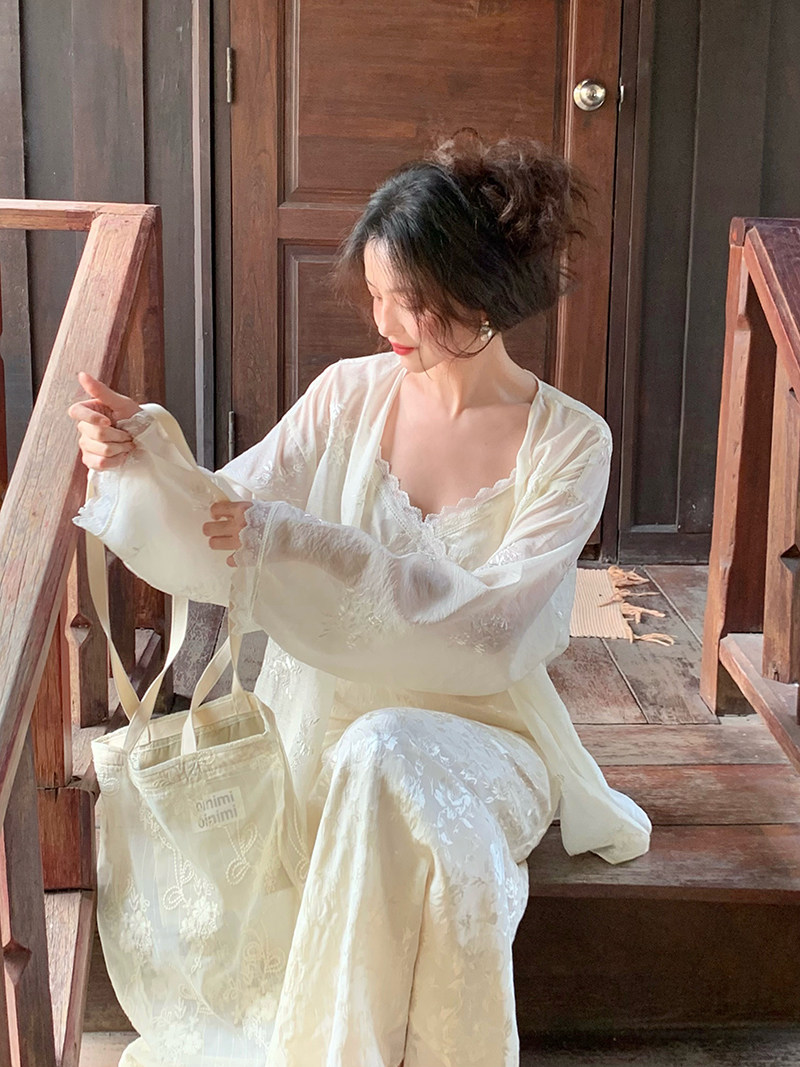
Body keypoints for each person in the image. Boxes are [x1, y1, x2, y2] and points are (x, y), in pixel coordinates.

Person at [69, 130, 651, 1067]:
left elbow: (494, 629)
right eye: (375, 293)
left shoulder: (572, 442)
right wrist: (145, 452)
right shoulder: (350, 394)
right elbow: (229, 515)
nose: (384, 320)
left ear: (477, 290)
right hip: (322, 731)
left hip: (490, 733)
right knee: (367, 754)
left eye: (406, 298)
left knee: (383, 752)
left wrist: (313, 545)